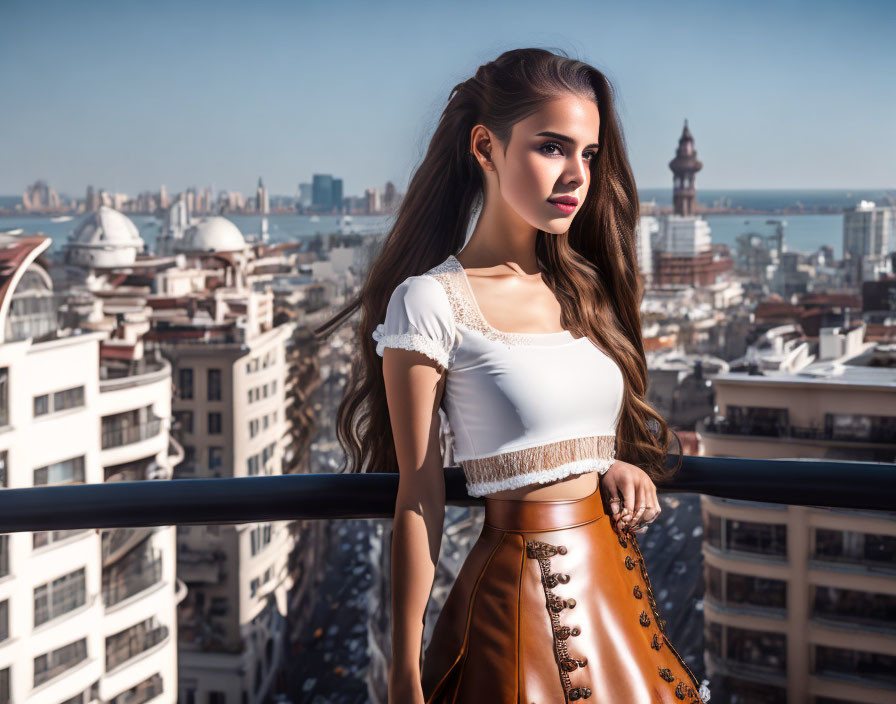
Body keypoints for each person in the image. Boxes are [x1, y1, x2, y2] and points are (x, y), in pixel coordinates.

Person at [320, 47, 711, 704]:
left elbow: (559, 419)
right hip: (523, 606)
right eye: (552, 147)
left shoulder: (583, 289)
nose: (576, 175)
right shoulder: (430, 301)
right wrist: (402, 669)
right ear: (485, 146)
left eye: (588, 154)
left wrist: (605, 462)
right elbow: (419, 497)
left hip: (617, 593)